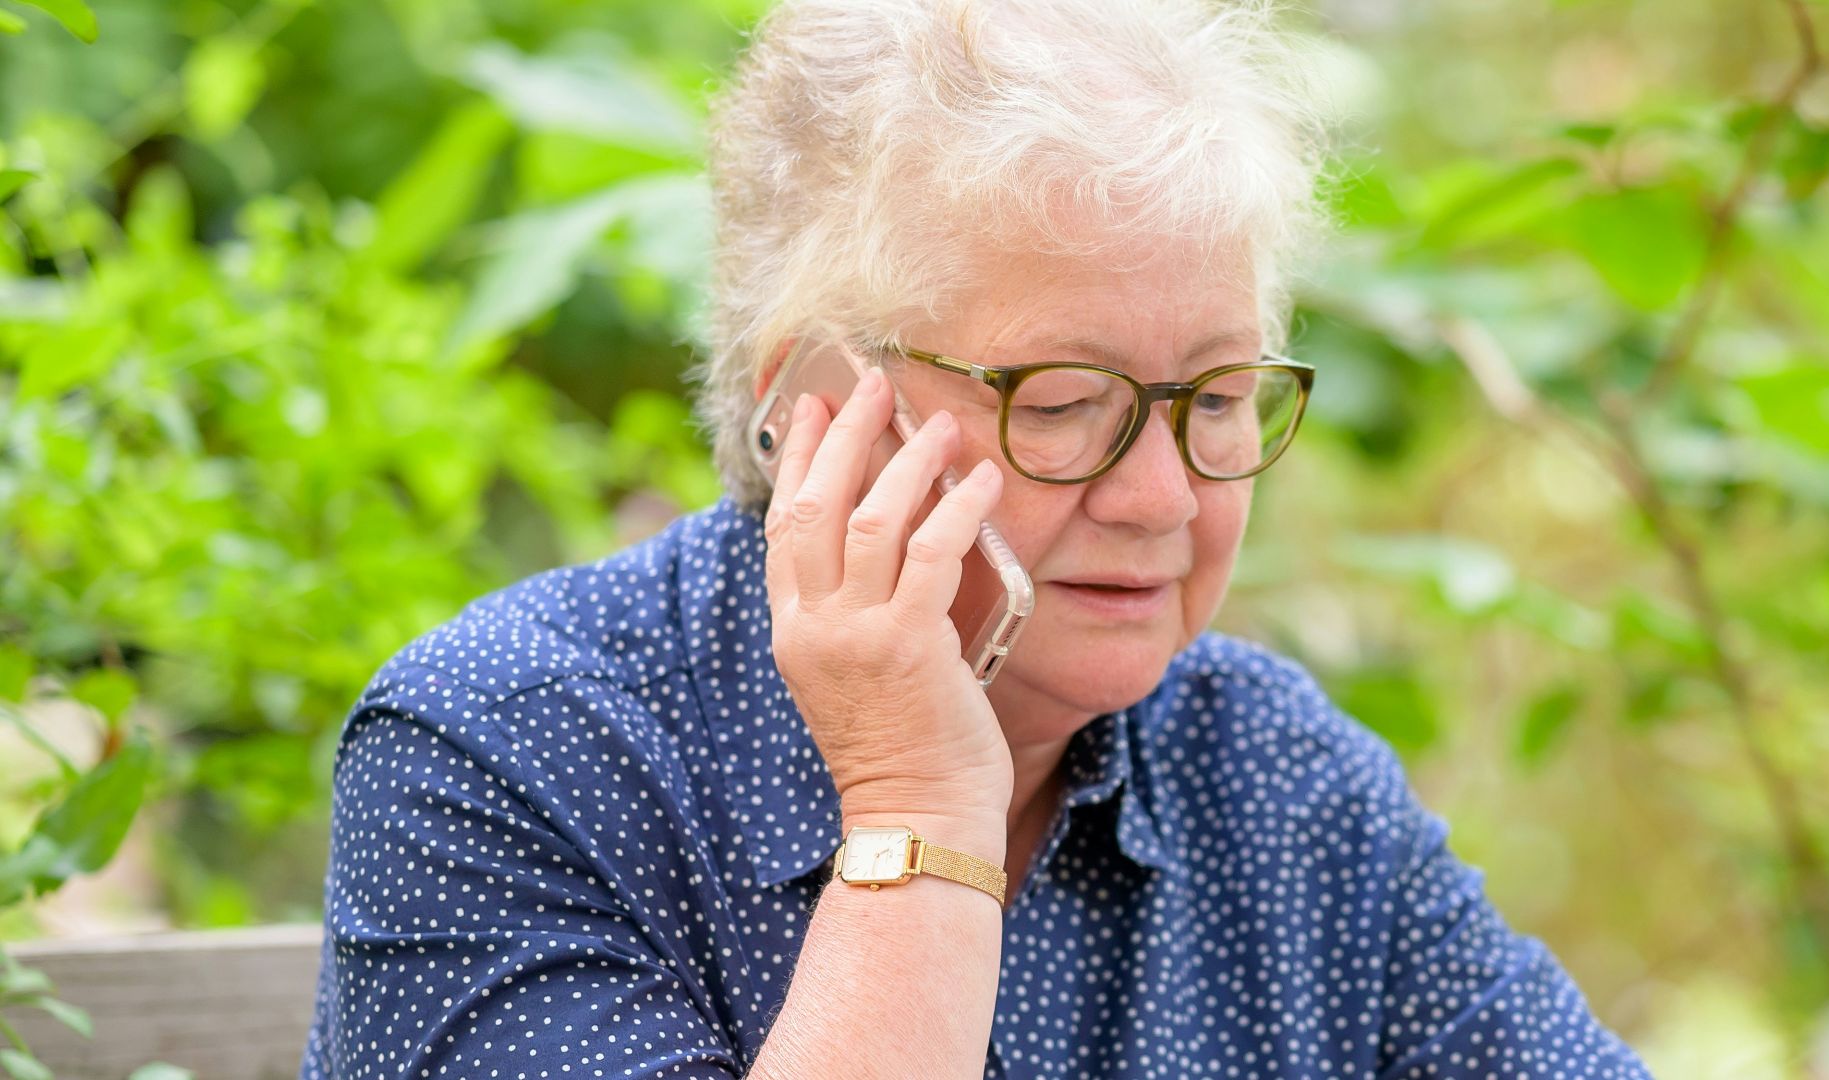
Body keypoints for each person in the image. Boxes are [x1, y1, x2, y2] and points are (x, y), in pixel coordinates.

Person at [301, 0, 1654, 1076]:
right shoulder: (507, 751)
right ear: (814, 409)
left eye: (1217, 400)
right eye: (1061, 405)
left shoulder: (1276, 779)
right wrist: (916, 808)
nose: (1165, 498)